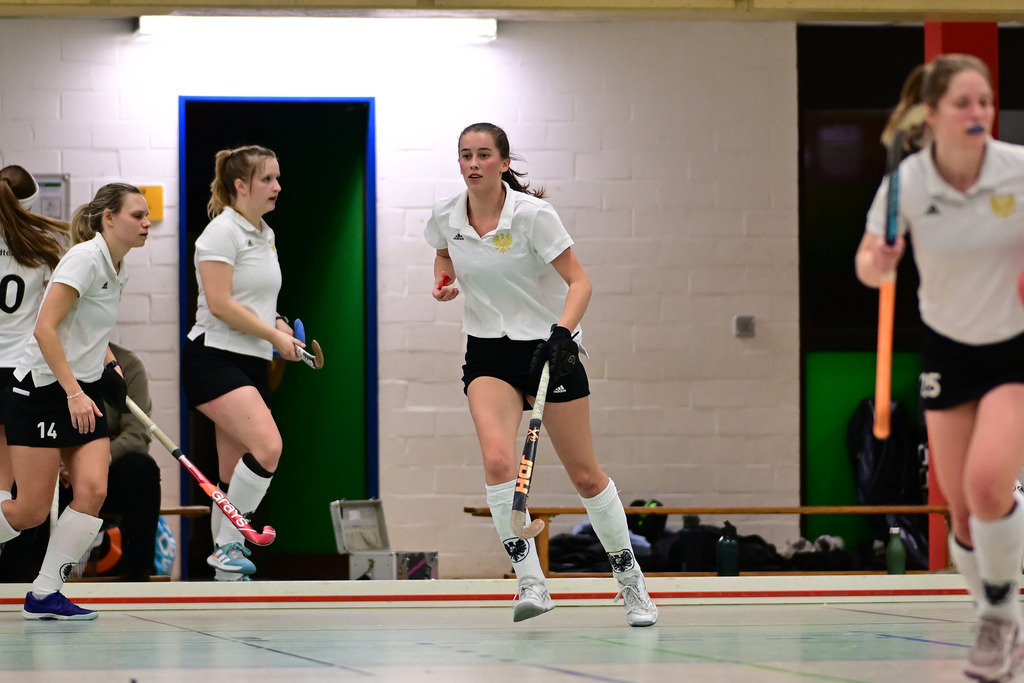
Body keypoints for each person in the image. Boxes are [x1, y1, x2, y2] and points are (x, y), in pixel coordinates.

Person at [424, 122, 658, 627]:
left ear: (503, 163)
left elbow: (580, 282)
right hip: (488, 353)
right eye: (465, 155)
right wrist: (444, 283)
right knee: (495, 460)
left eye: (483, 155)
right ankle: (530, 580)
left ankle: (630, 581)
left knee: (584, 474)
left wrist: (561, 333)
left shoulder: (532, 216)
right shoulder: (447, 215)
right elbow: (444, 254)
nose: (472, 163)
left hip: (549, 349)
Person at [855, 54, 1024, 682]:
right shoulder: (907, 183)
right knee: (959, 508)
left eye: (985, 101)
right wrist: (881, 257)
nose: (978, 113)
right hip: (948, 352)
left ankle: (1001, 617)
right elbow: (869, 267)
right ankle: (996, 611)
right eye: (964, 103)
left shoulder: (1017, 171)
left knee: (987, 486)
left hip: (1014, 348)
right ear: (933, 114)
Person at [0, 183, 150, 620]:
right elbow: (45, 329)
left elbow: (86, 328)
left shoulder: (118, 265)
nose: (146, 223)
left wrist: (110, 366)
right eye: (137, 215)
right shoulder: (83, 260)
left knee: (92, 491)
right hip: (44, 393)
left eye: (146, 216)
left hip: (82, 391)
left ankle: (45, 593)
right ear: (108, 219)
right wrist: (73, 392)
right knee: (28, 511)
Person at [182, 145, 303, 582]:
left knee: (234, 472)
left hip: (250, 360)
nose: (277, 186)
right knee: (268, 447)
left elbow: (251, 300)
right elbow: (219, 304)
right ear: (240, 185)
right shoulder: (221, 233)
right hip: (214, 359)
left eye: (277, 177)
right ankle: (230, 545)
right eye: (268, 179)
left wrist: (277, 323)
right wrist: (272, 336)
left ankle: (227, 576)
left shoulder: (263, 232)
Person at [0, 166, 70, 538]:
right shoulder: (45, 246)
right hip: (19, 371)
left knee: (2, 488)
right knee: (21, 499)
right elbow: (57, 316)